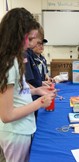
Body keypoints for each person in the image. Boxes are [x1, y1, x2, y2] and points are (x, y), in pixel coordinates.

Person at [0, 8, 56, 162]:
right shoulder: (9, 63)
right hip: (15, 133)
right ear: (17, 36)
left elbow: (18, 92)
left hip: (22, 128)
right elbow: (6, 115)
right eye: (29, 39)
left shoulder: (14, 59)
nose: (30, 44)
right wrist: (40, 103)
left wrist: (37, 90)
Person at [25, 26, 52, 92]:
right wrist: (37, 91)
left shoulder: (42, 59)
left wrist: (43, 83)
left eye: (42, 44)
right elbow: (25, 82)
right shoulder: (26, 55)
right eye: (39, 43)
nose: (41, 46)